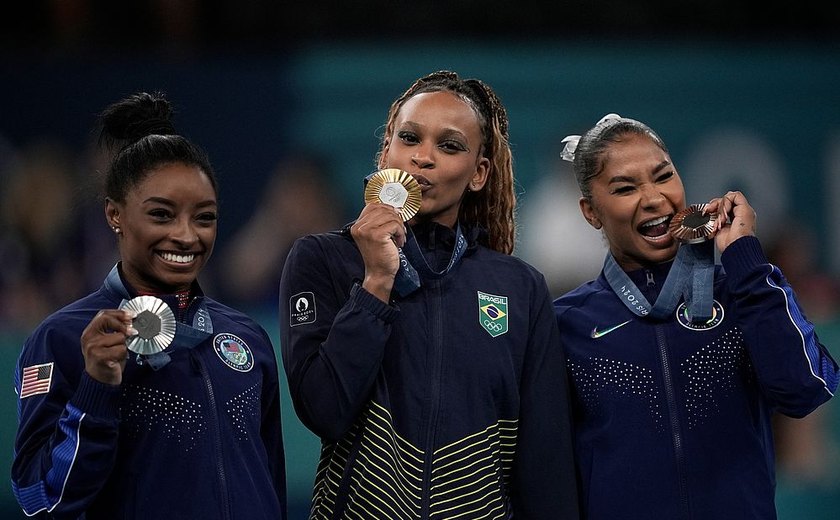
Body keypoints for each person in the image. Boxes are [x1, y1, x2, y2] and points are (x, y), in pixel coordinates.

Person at [279, 70, 579, 519]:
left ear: (479, 174)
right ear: (386, 152)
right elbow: (324, 410)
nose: (423, 158)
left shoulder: (519, 288)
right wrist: (376, 283)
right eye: (409, 138)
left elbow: (544, 464)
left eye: (450, 145)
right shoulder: (322, 259)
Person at [11, 92, 287, 519]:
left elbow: (269, 486)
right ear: (114, 215)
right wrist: (95, 390)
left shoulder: (247, 339)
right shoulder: (64, 339)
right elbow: (39, 499)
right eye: (161, 215)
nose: (186, 235)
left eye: (204, 217)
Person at [553, 113, 839, 519]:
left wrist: (744, 257)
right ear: (590, 211)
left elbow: (804, 390)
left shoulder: (744, 290)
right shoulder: (567, 323)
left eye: (663, 175)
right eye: (625, 187)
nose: (653, 197)